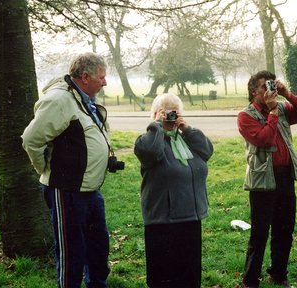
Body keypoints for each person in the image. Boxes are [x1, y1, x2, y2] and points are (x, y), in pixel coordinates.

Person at [22, 52, 112, 288]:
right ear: (85, 77)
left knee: (98, 246)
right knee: (72, 252)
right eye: (101, 77)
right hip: (67, 191)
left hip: (90, 189)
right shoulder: (60, 100)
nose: (105, 82)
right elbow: (31, 140)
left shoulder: (83, 98)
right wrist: (47, 170)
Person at [237, 71, 297, 288]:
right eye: (265, 87)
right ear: (254, 91)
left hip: (285, 176)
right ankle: (250, 281)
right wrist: (272, 113)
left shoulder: (281, 108)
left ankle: (279, 274)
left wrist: (287, 94)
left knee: (284, 229)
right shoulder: (246, 116)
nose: (270, 90)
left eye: (272, 85)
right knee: (259, 233)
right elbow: (263, 140)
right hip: (263, 180)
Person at [134, 93, 214, 288]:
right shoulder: (147, 141)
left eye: (174, 111)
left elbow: (207, 151)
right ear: (154, 114)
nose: (170, 115)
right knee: (165, 276)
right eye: (165, 111)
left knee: (190, 275)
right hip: (163, 220)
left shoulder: (185, 138)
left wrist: (187, 128)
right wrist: (158, 126)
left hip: (190, 218)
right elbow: (152, 153)